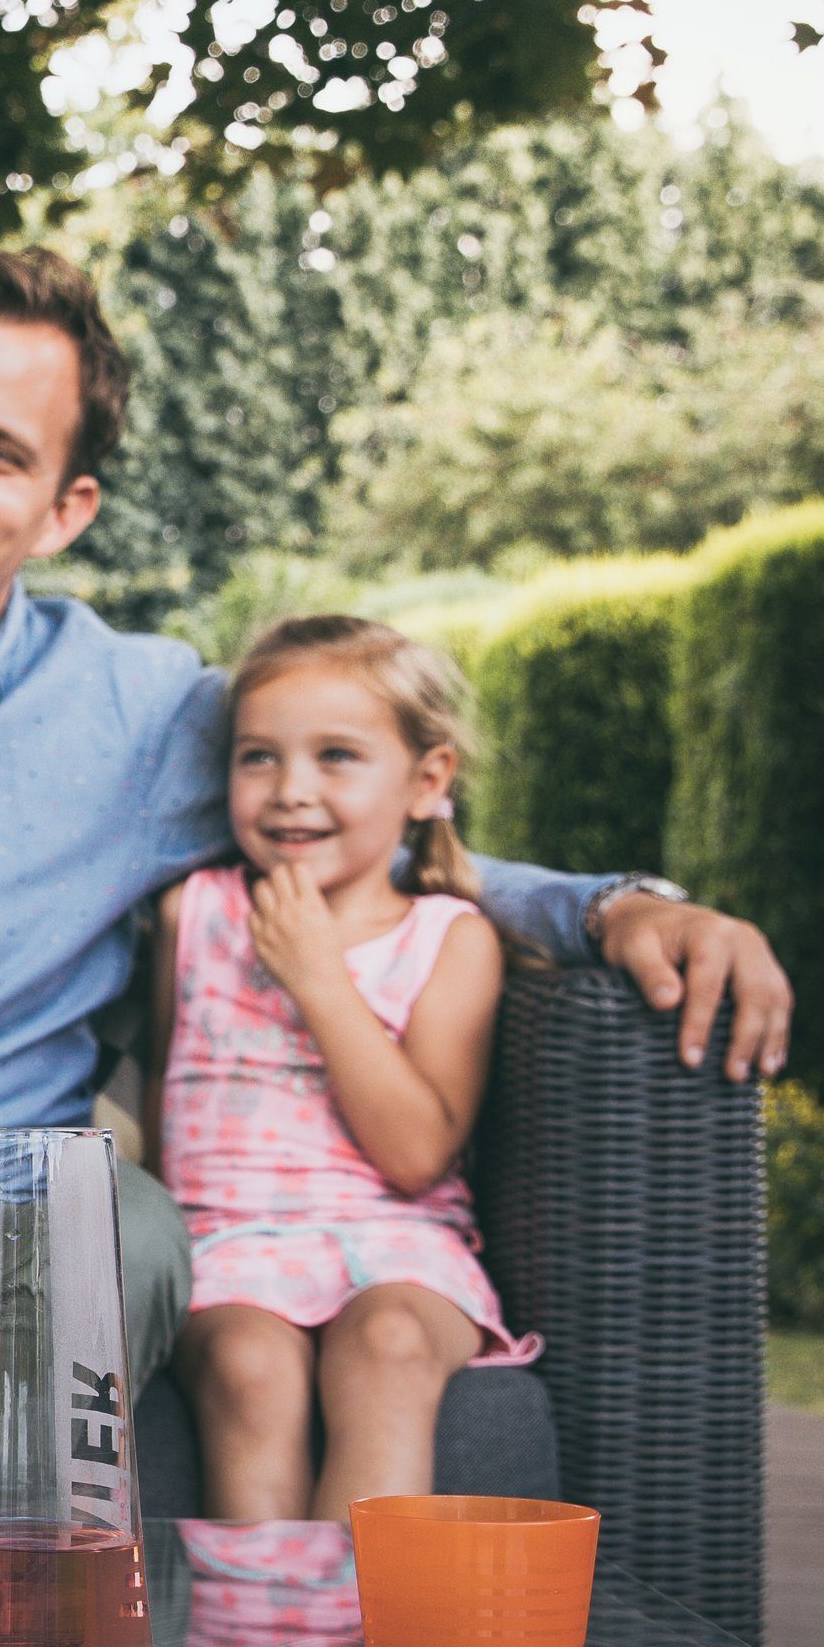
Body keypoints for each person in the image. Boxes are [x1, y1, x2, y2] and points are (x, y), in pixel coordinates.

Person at [0, 248, 797, 1512]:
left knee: (109, 1222)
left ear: (65, 512)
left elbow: (369, 838)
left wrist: (620, 905)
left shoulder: (142, 712)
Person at [141, 614, 537, 1519]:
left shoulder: (449, 938)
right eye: (259, 757)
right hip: (227, 1245)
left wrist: (319, 978)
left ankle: (359, 1645)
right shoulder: (193, 915)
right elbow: (169, 1101)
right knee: (250, 1364)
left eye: (337, 757)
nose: (291, 791)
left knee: (391, 1342)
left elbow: (415, 1155)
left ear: (428, 779)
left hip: (399, 1243)